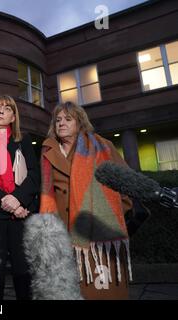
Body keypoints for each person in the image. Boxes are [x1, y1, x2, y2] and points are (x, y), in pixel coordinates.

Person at [39, 101, 133, 299]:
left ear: (80, 123)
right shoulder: (48, 152)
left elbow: (126, 183)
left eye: (67, 119)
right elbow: (47, 193)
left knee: (102, 291)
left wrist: (109, 215)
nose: (61, 123)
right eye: (58, 120)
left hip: (97, 232)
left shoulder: (101, 147)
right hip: (62, 235)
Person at [0, 95, 40, 300]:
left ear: (13, 116)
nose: (1, 110)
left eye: (7, 108)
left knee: (24, 273)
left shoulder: (24, 141)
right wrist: (8, 202)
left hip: (22, 215)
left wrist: (18, 200)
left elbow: (33, 175)